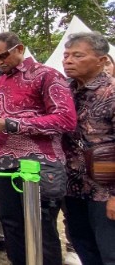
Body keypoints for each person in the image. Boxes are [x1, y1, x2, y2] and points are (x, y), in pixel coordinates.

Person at [0, 32, 77, 265]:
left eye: (2, 56)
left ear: (19, 49)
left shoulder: (46, 75)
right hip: (3, 164)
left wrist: (12, 124)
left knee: (41, 227)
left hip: (39, 165)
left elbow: (66, 120)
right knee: (11, 225)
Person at [61, 32, 115, 264]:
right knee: (84, 248)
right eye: (66, 55)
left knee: (110, 253)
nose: (68, 60)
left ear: (102, 60)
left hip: (105, 192)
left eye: (77, 55)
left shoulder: (111, 93)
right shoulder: (64, 92)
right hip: (72, 189)